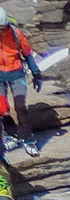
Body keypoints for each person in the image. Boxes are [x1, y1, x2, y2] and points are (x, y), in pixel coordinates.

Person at [0, 12, 39, 153]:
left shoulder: (16, 33)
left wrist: (36, 73)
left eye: (2, 28)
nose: (1, 31)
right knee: (2, 108)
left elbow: (27, 53)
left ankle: (28, 139)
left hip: (17, 74)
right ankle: (12, 134)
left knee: (20, 106)